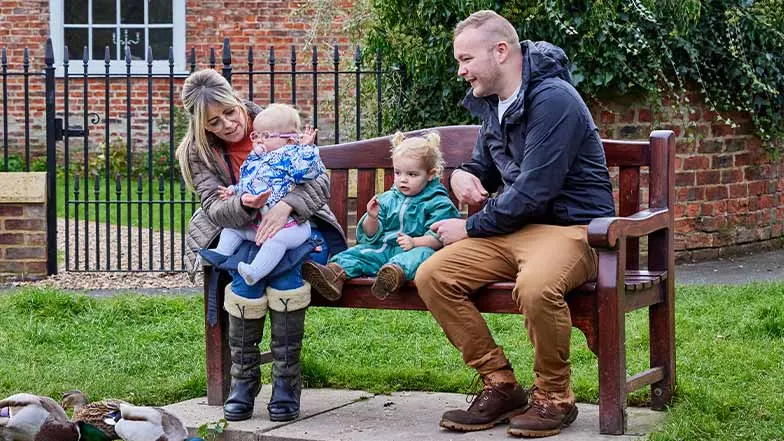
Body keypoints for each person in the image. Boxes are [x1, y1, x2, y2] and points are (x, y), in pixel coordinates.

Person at [414, 10, 616, 438]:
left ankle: (554, 397)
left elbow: (536, 190)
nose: (460, 70)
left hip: (574, 229)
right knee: (433, 273)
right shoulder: (495, 104)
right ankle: (501, 385)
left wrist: (468, 228)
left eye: (466, 59)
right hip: (515, 231)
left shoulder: (555, 99)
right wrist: (461, 174)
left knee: (537, 286)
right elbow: (487, 167)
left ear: (501, 51)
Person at [175, 69, 347, 423]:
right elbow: (213, 204)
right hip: (243, 227)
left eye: (229, 112)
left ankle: (286, 383)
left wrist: (286, 205)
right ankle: (244, 381)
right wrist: (245, 205)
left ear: (237, 100)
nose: (226, 124)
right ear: (202, 126)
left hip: (294, 226)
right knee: (245, 284)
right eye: (214, 122)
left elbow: (318, 179)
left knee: (285, 281)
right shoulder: (198, 152)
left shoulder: (274, 124)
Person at [301, 131, 460, 301]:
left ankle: (392, 275)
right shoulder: (388, 199)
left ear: (430, 174)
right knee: (358, 252)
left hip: (415, 250)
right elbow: (369, 237)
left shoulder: (437, 202)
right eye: (398, 173)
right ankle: (334, 274)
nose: (403, 180)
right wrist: (372, 218)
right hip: (383, 251)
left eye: (412, 174)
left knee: (423, 255)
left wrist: (415, 242)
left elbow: (440, 236)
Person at [200, 103, 326, 286]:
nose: (258, 140)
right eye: (256, 135)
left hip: (290, 226)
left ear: (290, 140)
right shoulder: (257, 159)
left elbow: (306, 173)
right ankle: (221, 253)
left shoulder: (291, 156)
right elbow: (248, 180)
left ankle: (255, 271)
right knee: (234, 230)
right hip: (259, 223)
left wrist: (306, 149)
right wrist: (235, 192)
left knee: (276, 242)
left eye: (265, 136)